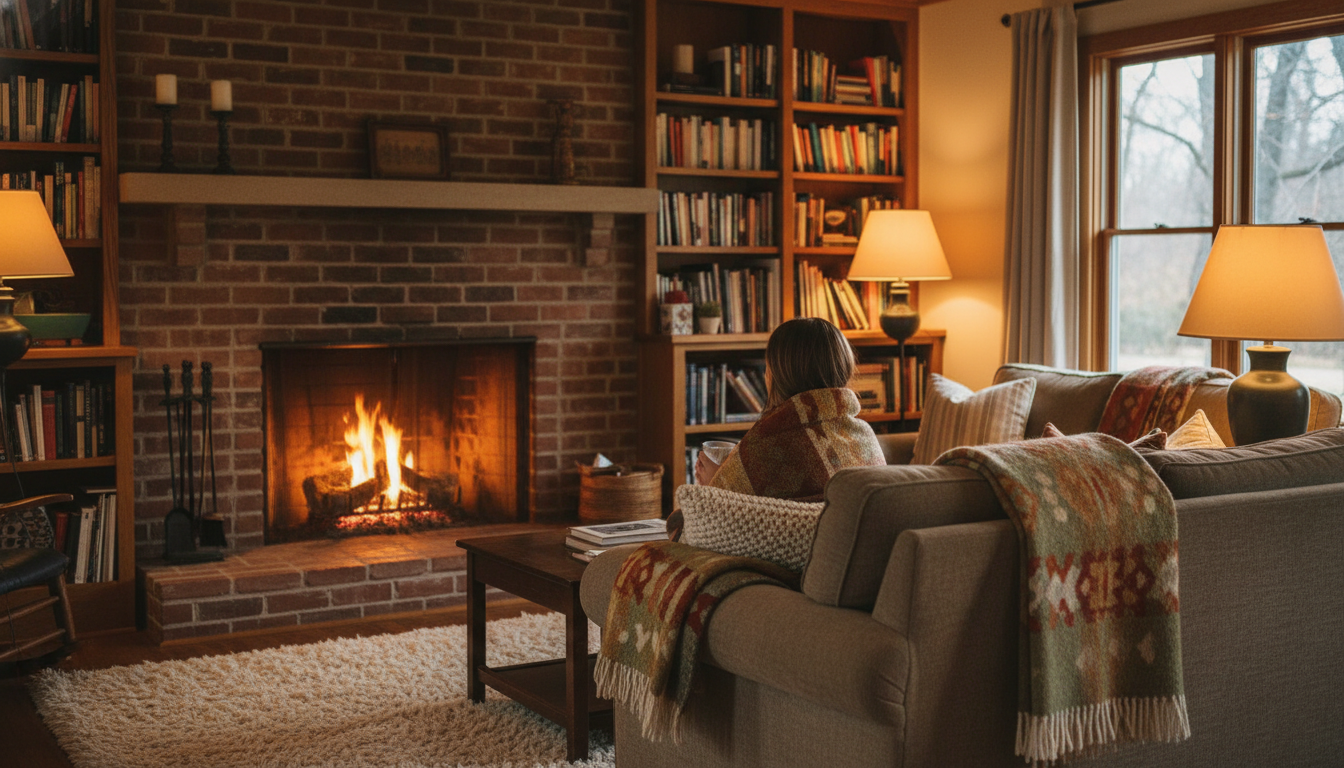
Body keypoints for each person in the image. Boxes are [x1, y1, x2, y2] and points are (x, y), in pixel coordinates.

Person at [694, 317, 886, 501]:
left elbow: (716, 518)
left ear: (774, 375)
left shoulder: (762, 448)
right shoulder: (864, 436)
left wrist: (714, 486)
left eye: (768, 366)